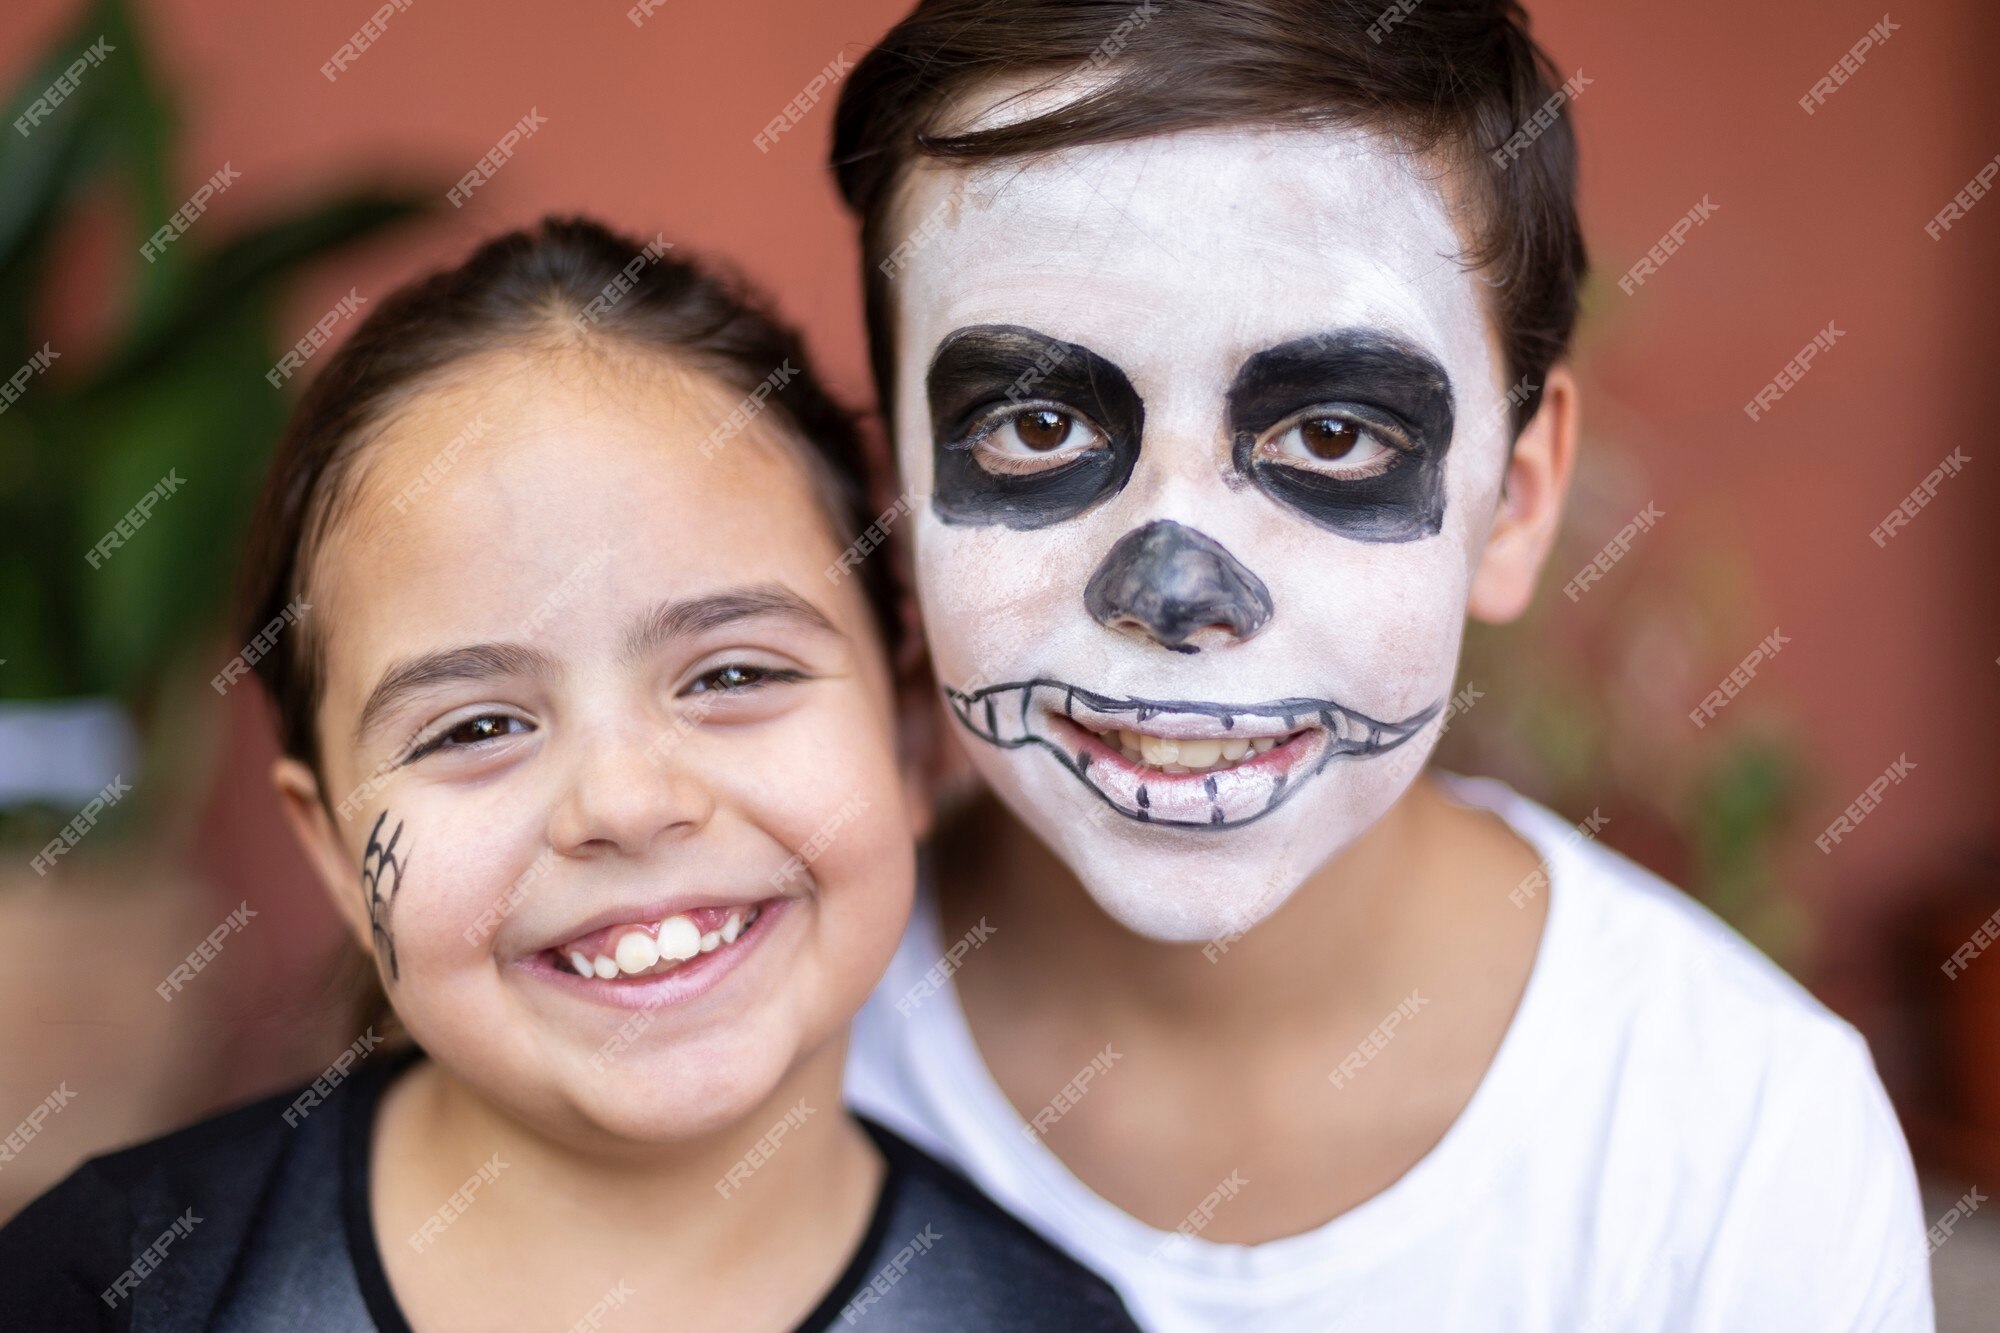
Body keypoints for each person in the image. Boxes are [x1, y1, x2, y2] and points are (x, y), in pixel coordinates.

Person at [830, 3, 1934, 1329]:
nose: (1176, 594)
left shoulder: (1741, 1154)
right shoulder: (747, 1051)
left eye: (1338, 436)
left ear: (1516, 503)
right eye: (1040, 422)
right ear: (895, 481)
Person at [0, 218, 1138, 1333]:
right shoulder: (112, 1282)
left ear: (905, 735)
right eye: (474, 726)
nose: (627, 804)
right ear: (335, 850)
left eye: (732, 671)